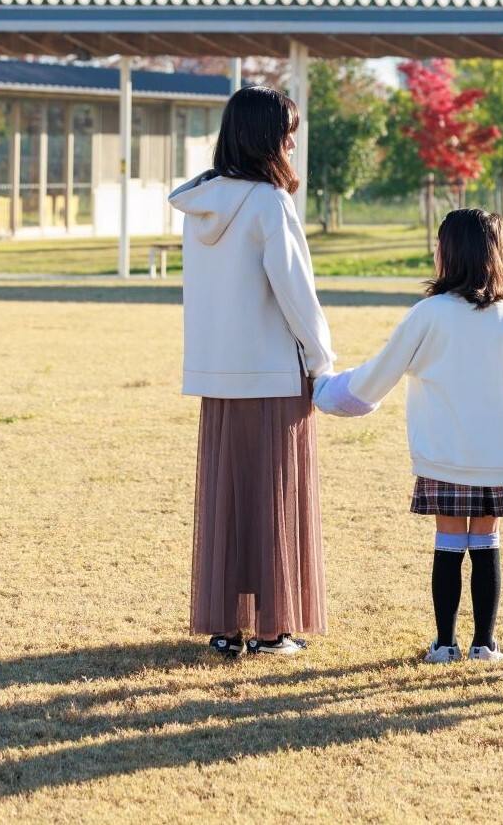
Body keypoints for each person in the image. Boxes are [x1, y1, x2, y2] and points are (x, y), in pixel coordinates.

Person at [314, 208, 503, 664]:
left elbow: (379, 374)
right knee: (486, 544)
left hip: (444, 454)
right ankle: (485, 643)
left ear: (449, 253)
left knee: (449, 544)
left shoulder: (428, 314)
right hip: (499, 458)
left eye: (439, 243)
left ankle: (444, 643)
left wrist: (326, 390)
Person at [169, 85, 335, 658]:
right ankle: (273, 628)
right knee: (274, 497)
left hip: (218, 375)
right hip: (271, 375)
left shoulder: (203, 204)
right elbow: (296, 294)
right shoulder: (270, 203)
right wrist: (321, 359)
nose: (294, 140)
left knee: (231, 499)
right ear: (267, 136)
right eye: (287, 129)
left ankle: (228, 624)